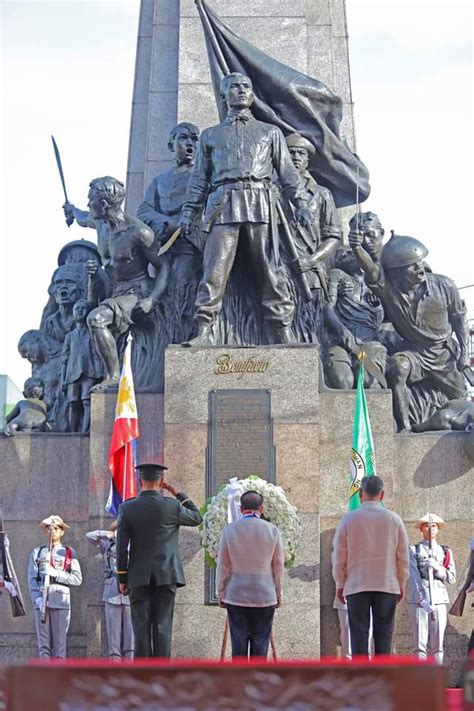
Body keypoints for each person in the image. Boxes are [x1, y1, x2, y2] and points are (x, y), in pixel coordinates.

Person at [180, 72, 313, 345]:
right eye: (234, 87)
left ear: (252, 95)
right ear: (223, 95)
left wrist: (300, 204)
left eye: (246, 87)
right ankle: (203, 330)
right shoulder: (210, 136)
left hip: (260, 201)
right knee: (214, 270)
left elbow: (288, 174)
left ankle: (282, 330)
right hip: (223, 203)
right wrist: (188, 211)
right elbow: (199, 180)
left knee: (270, 269)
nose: (241, 91)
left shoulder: (270, 132)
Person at [348, 231, 468, 432]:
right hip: (416, 353)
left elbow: (459, 320)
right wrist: (357, 248)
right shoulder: (388, 288)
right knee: (398, 368)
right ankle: (405, 428)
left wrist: (464, 352)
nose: (419, 267)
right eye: (411, 266)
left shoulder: (444, 285)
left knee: (459, 395)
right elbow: (370, 270)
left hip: (443, 353)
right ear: (396, 272)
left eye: (420, 262)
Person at [63, 176, 170, 389]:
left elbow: (164, 267)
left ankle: (113, 378)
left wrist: (152, 299)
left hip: (136, 290)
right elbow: (82, 216)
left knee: (96, 319)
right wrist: (71, 210)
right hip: (114, 291)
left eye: (90, 200)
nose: (88, 204)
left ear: (103, 205)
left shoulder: (139, 233)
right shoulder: (99, 223)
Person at [116, 463, 202, 657]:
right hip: (167, 574)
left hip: (138, 576)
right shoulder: (172, 506)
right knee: (163, 626)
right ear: (162, 482)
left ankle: (143, 675)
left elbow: (122, 546)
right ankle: (162, 674)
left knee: (140, 628)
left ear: (140, 482)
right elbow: (197, 518)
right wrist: (180, 494)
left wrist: (122, 578)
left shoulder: (127, 507)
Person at [137, 122, 204, 343]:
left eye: (194, 139)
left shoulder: (205, 176)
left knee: (184, 288)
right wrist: (166, 223)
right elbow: (144, 210)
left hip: (194, 245)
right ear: (170, 144)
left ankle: (188, 336)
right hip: (165, 245)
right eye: (184, 138)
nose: (190, 144)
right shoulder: (159, 181)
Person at [332, 475, 409, 656]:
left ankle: (362, 680)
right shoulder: (394, 519)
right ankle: (383, 679)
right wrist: (401, 582)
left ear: (360, 493)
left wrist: (340, 583)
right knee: (384, 636)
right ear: (382, 495)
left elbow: (339, 556)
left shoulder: (348, 519)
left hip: (356, 584)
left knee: (358, 636)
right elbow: (403, 557)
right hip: (386, 584)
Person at [216, 490, 284, 659]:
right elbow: (278, 566)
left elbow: (223, 565)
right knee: (261, 643)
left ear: (241, 508)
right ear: (261, 508)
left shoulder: (229, 530)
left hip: (236, 594)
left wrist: (221, 590)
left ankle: (239, 682)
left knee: (238, 643)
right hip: (264, 594)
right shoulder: (272, 531)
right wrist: (278, 592)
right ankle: (258, 681)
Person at [27, 515, 82, 659]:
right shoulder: (38, 552)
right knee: (43, 647)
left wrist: (56, 574)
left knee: (60, 647)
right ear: (45, 531)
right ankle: (46, 680)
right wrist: (37, 600)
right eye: (49, 528)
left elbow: (77, 579)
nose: (52, 531)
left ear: (62, 531)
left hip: (61, 601)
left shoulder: (68, 552)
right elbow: (32, 580)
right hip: (42, 601)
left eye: (56, 528)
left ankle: (59, 680)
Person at [407, 513, 456, 664]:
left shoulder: (445, 551)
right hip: (419, 600)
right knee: (420, 646)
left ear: (438, 529)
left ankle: (437, 682)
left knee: (438, 646)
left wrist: (438, 568)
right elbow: (413, 577)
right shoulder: (413, 550)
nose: (430, 528)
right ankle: (421, 683)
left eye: (434, 526)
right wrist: (421, 600)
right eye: (427, 525)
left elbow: (452, 578)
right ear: (421, 529)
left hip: (439, 599)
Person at [86, 520, 134, 660]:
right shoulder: (108, 544)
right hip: (111, 591)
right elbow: (90, 536)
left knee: (130, 638)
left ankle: (130, 669)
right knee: (113, 638)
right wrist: (109, 534)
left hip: (131, 592)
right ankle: (115, 670)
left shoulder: (135, 545)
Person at [61, 299, 103, 432]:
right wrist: (63, 379)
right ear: (73, 313)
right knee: (73, 403)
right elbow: (64, 359)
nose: (79, 310)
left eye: (83, 308)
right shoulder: (69, 336)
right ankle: (73, 433)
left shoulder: (93, 333)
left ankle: (85, 431)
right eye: (76, 308)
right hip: (72, 374)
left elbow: (99, 353)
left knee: (87, 401)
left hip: (90, 372)